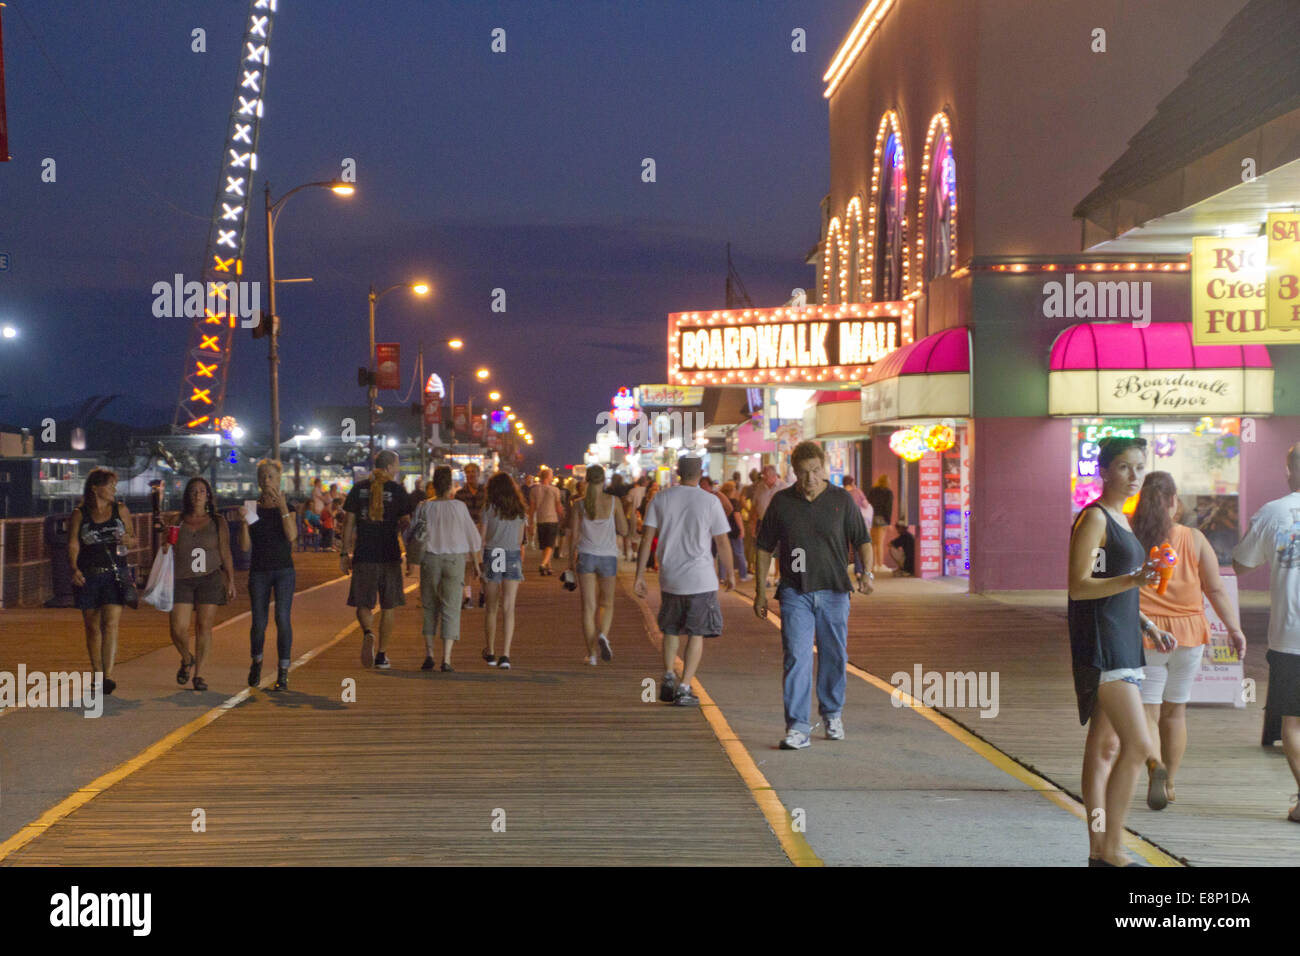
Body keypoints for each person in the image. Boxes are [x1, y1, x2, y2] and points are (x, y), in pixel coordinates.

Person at [1068, 436, 1172, 866]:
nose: (1134, 477)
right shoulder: (1094, 519)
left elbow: (1119, 585)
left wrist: (1147, 623)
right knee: (1138, 745)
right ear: (1104, 471)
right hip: (1103, 646)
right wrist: (1136, 580)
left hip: (1125, 640)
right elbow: (1078, 586)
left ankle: (1097, 847)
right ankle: (1112, 848)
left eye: (1139, 468)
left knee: (1104, 750)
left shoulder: (1121, 520)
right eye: (1125, 467)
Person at [1132, 471, 1247, 807]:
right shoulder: (1194, 538)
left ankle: (1155, 766)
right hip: (1189, 637)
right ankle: (1170, 785)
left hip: (1148, 635)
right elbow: (1215, 588)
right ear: (1173, 501)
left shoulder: (1131, 536)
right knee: (1176, 712)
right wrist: (1234, 629)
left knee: (1149, 713)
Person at [755, 441, 873, 750]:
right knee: (797, 656)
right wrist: (759, 592)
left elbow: (862, 540)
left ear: (826, 467)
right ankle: (797, 726)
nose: (810, 478)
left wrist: (867, 573)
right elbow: (764, 548)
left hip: (834, 591)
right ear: (793, 471)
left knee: (835, 655)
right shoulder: (782, 503)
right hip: (795, 592)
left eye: (816, 471)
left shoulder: (841, 500)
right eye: (804, 472)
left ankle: (832, 713)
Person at [1233, 442, 1300, 823]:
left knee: (1292, 721)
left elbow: (1241, 564)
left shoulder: (1274, 512)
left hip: (1291, 637)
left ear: (1289, 471)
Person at [635, 456, 734, 706]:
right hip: (701, 579)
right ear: (700, 472)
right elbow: (722, 541)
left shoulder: (661, 498)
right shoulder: (710, 501)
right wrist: (730, 573)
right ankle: (684, 686)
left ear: (677, 472)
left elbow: (646, 538)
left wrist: (639, 575)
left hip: (671, 577)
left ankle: (668, 675)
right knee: (696, 633)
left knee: (670, 629)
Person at [341, 450, 413, 670]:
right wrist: (409, 555)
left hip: (364, 554)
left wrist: (345, 553)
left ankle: (368, 632)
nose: (398, 470)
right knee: (388, 606)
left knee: (363, 604)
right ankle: (382, 655)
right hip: (389, 555)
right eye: (397, 466)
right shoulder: (398, 491)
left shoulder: (358, 489)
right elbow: (406, 526)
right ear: (390, 467)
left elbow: (349, 524)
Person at [165, 476, 236, 692]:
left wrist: (230, 579)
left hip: (210, 577)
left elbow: (225, 551)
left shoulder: (217, 521)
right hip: (182, 578)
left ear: (208, 496)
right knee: (178, 627)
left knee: (204, 626)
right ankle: (187, 658)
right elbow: (167, 548)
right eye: (193, 491)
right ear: (188, 495)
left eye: (202, 491)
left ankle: (200, 675)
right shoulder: (177, 520)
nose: (197, 495)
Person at [67, 467, 133, 696]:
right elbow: (74, 543)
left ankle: (108, 676)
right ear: (95, 488)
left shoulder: (120, 510)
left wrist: (127, 538)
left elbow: (133, 539)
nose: (114, 489)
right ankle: (96, 672)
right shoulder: (80, 513)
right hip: (89, 574)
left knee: (111, 625)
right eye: (110, 484)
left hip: (115, 573)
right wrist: (74, 567)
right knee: (93, 627)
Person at [409, 465, 481, 672]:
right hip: (454, 560)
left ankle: (429, 654)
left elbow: (411, 534)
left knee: (430, 606)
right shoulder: (459, 507)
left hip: (430, 560)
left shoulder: (424, 506)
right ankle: (447, 658)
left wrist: (411, 562)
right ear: (450, 486)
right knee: (451, 608)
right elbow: (473, 538)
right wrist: (476, 565)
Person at [237, 459, 298, 691]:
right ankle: (257, 661)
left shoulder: (288, 507)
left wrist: (282, 507)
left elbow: (291, 536)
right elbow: (244, 547)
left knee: (282, 618)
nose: (266, 480)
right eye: (262, 476)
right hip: (259, 570)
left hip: (284, 570)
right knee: (258, 622)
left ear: (279, 478)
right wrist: (244, 524)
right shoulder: (252, 507)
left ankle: (283, 671)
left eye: (271, 476)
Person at [569, 464, 628, 664]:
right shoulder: (614, 502)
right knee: (607, 603)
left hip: (586, 556)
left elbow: (574, 536)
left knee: (588, 607)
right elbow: (624, 529)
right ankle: (603, 634)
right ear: (604, 481)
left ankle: (592, 655)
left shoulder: (579, 505)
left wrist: (570, 560)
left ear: (586, 480)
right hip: (608, 557)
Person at [481, 472, 527, 669]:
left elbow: (481, 538)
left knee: (491, 607)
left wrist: (478, 563)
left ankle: (490, 651)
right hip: (512, 554)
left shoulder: (488, 508)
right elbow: (520, 539)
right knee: (509, 607)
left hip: (494, 553)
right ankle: (505, 655)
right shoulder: (520, 510)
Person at [455, 463, 488, 609]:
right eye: (467, 472)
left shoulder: (487, 492)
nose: (470, 475)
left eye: (473, 472)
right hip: (465, 533)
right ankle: (468, 597)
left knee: (483, 564)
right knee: (467, 566)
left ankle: (483, 594)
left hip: (483, 531)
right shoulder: (460, 494)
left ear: (478, 473)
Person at [528, 466, 563, 575]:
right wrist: (562, 515)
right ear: (549, 476)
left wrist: (530, 523)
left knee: (544, 545)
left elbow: (532, 508)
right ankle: (543, 564)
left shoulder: (534, 490)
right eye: (551, 475)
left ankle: (548, 567)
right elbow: (558, 508)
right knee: (550, 544)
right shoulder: (555, 490)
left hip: (540, 519)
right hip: (552, 519)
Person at [842, 476, 873, 578]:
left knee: (845, 546)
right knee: (858, 546)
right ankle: (859, 570)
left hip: (844, 523)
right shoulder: (857, 492)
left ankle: (843, 569)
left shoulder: (841, 493)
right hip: (856, 522)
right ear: (852, 482)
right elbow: (866, 505)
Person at [720, 480, 750, 581]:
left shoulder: (721, 501)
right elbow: (737, 516)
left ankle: (722, 576)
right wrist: (742, 529)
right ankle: (743, 575)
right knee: (739, 552)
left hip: (724, 529)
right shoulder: (734, 502)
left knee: (722, 553)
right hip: (734, 530)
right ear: (732, 490)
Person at [866, 474, 894, 573]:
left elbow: (868, 503)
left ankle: (872, 565)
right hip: (882, 519)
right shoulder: (888, 492)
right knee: (880, 543)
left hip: (872, 518)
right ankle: (880, 564)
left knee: (872, 543)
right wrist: (888, 522)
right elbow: (888, 508)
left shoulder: (873, 491)